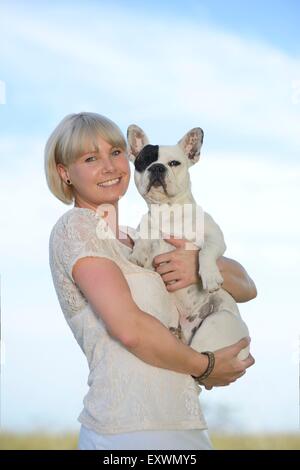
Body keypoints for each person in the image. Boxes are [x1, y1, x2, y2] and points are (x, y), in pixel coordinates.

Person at [45, 112, 256, 450]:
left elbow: (248, 287)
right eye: (90, 158)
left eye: (115, 152)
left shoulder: (138, 237)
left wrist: (198, 264)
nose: (109, 166)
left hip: (185, 423)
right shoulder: (77, 229)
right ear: (64, 172)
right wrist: (207, 366)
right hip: (127, 430)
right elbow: (129, 328)